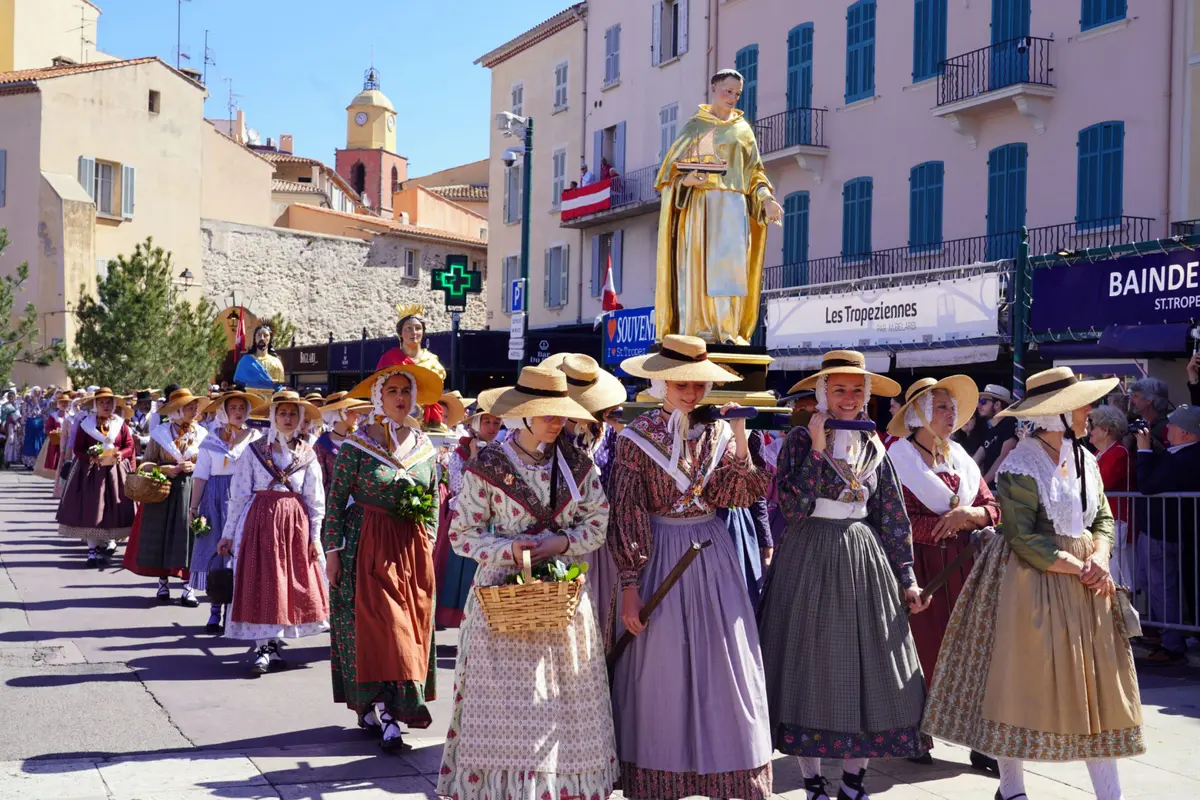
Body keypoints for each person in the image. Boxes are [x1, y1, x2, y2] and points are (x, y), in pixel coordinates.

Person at [923, 367, 1144, 800]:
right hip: (1031, 582)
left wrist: (1100, 557)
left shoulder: (1085, 458)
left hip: (1086, 581)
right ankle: (1012, 788)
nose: (1089, 411)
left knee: (1097, 686)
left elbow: (1101, 516)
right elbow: (1022, 537)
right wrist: (1079, 567)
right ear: (1054, 414)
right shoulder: (1020, 464)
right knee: (1017, 682)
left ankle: (1110, 793)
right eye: (1080, 405)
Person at [437, 366, 618, 800]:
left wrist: (561, 543)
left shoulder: (577, 465)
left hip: (562, 601)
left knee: (561, 705)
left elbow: (598, 522)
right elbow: (462, 534)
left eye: (561, 413)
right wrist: (510, 551)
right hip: (502, 599)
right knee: (508, 707)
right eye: (547, 414)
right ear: (523, 414)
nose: (557, 422)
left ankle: (561, 790)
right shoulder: (488, 466)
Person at [759, 350, 929, 800]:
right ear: (823, 393)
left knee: (872, 667)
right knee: (808, 665)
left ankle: (854, 781)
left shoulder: (874, 445)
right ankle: (812, 780)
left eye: (857, 390)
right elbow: (793, 508)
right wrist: (817, 450)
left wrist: (907, 577)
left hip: (863, 561)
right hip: (809, 556)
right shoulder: (799, 440)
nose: (849, 398)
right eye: (839, 389)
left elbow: (892, 517)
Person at [608, 335, 772, 800]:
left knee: (723, 660)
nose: (692, 392)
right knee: (661, 666)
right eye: (682, 383)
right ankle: (662, 773)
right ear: (662, 382)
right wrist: (629, 583)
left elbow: (738, 494)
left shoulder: (718, 433)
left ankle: (727, 772)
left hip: (712, 553)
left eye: (699, 383)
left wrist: (739, 437)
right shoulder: (635, 439)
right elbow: (626, 511)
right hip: (659, 554)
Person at [322, 363, 443, 749]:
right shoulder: (357, 445)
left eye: (406, 391)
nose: (400, 398)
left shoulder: (425, 447)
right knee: (386, 627)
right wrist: (333, 553)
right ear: (378, 398)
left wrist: (428, 539)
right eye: (392, 391)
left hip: (411, 548)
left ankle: (385, 704)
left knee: (410, 626)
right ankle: (388, 712)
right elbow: (336, 501)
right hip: (367, 545)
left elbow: (434, 498)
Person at [885, 376, 1000, 772]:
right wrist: (943, 527)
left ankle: (980, 740)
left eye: (953, 408)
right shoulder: (897, 459)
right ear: (919, 414)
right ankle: (914, 734)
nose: (953, 416)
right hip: (919, 568)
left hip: (965, 568)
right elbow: (892, 518)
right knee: (921, 649)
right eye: (943, 408)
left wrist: (970, 514)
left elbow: (992, 507)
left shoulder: (961, 459)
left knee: (973, 652)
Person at [655, 69, 783, 345]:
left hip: (735, 208)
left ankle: (728, 331)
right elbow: (670, 175)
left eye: (737, 93)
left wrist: (767, 199)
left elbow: (754, 174)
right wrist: (686, 181)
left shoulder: (743, 130)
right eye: (728, 91)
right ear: (713, 88)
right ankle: (699, 329)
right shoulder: (696, 127)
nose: (732, 97)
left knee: (731, 273)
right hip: (702, 209)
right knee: (700, 270)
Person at [217, 391, 329, 676]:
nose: (287, 419)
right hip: (258, 523)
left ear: (300, 418)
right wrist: (228, 533)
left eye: (292, 414)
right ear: (273, 417)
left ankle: (274, 643)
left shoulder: (307, 454)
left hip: (294, 526)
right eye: (282, 413)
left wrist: (315, 537)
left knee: (285, 585)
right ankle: (263, 647)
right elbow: (239, 494)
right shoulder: (254, 451)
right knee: (262, 581)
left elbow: (315, 500)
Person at [544, 352, 628, 645]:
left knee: (600, 616)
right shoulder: (547, 435)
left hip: (600, 540)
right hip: (557, 538)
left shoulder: (610, 435)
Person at [187, 391, 265, 635]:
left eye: (242, 407)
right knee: (217, 553)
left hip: (246, 498)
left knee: (242, 554)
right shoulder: (211, 440)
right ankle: (215, 610)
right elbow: (201, 476)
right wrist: (193, 507)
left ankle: (237, 612)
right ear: (224, 411)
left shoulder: (255, 438)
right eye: (233, 408)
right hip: (215, 499)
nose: (238, 412)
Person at [123, 388, 210, 604]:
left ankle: (188, 587)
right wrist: (164, 469)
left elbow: (208, 463)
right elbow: (146, 463)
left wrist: (195, 466)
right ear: (177, 410)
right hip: (162, 490)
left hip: (191, 490)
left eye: (195, 406)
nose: (194, 410)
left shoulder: (202, 434)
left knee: (189, 536)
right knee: (162, 536)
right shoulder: (160, 434)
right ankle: (162, 582)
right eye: (189, 407)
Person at [1134, 403, 1200, 665]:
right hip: (1165, 531)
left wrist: (1143, 449)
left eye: (1173, 424)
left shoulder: (1185, 458)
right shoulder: (1180, 453)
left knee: (1162, 589)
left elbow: (1148, 485)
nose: (1167, 427)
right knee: (1155, 585)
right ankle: (1167, 636)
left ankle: (1172, 644)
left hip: (1163, 532)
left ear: (1185, 433)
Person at [433, 390, 503, 629]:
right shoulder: (460, 452)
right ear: (476, 423)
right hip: (466, 518)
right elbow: (459, 486)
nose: (492, 427)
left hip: (493, 520)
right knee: (461, 572)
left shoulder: (502, 451)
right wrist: (473, 458)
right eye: (487, 421)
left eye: (496, 422)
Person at [55, 388, 136, 567]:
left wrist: (121, 454)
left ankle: (108, 542)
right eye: (101, 403)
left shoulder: (120, 424)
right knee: (93, 510)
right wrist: (90, 457)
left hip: (115, 472)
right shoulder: (86, 425)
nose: (105, 406)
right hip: (90, 473)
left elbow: (129, 445)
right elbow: (78, 449)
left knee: (113, 508)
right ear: (95, 405)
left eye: (108, 402)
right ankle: (92, 550)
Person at [1088, 404, 1135, 589]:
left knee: (1118, 574)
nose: (1089, 430)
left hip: (1117, 520)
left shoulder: (1119, 452)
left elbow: (1102, 483)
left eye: (1092, 426)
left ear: (1105, 430)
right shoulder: (1098, 453)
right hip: (1102, 520)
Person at [313, 392, 371, 497]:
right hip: (332, 499)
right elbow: (319, 482)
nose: (357, 415)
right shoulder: (321, 445)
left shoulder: (359, 441)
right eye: (352, 411)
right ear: (339, 414)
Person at [974, 384, 1018, 483]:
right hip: (990, 488)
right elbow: (977, 458)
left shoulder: (1010, 424)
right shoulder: (989, 429)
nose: (978, 406)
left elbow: (1003, 458)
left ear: (997, 405)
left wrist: (982, 485)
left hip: (1004, 489)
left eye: (983, 402)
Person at [233, 325, 287, 398]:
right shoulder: (245, 361)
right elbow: (239, 386)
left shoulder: (276, 362)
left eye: (265, 335)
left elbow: (279, 387)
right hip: (250, 399)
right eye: (259, 335)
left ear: (270, 338)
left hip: (270, 400)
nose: (262, 338)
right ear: (254, 338)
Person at [1127, 377, 1172, 454]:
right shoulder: (1136, 422)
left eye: (1135, 396)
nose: (1131, 400)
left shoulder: (1168, 427)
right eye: (1131, 395)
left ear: (1149, 400)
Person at [21, 386, 46, 469]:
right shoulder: (27, 402)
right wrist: (22, 425)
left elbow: (44, 414)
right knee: (30, 444)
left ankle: (38, 464)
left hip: (39, 425)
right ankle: (29, 463)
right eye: (35, 391)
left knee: (39, 443)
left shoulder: (43, 402)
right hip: (29, 424)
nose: (37, 393)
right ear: (32, 392)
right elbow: (24, 414)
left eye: (38, 391)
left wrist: (45, 424)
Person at [1, 388, 20, 469]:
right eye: (10, 396)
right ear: (8, 397)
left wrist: (18, 424)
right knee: (10, 440)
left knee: (15, 441)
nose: (11, 397)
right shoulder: (5, 406)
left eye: (12, 396)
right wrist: (3, 424)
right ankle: (7, 459)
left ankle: (13, 458)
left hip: (16, 425)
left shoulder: (17, 405)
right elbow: (3, 417)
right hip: (9, 425)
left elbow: (19, 415)